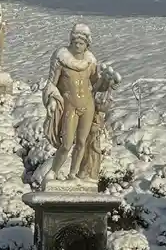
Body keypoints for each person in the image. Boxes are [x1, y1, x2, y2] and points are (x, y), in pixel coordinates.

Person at [42, 23, 120, 182]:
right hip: (70, 105)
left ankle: (73, 174)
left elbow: (96, 85)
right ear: (71, 42)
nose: (78, 45)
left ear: (87, 45)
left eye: (81, 43)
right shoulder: (62, 60)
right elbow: (51, 84)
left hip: (88, 105)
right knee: (66, 144)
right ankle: (53, 171)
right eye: (75, 42)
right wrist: (51, 99)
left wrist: (108, 82)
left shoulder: (90, 62)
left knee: (82, 142)